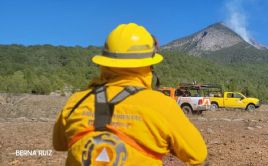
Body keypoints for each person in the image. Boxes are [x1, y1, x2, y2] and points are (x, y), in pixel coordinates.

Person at [53, 23, 207, 165]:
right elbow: (198, 155)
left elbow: (59, 144)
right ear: (149, 65)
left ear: (105, 61)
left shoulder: (77, 101)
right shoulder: (162, 106)